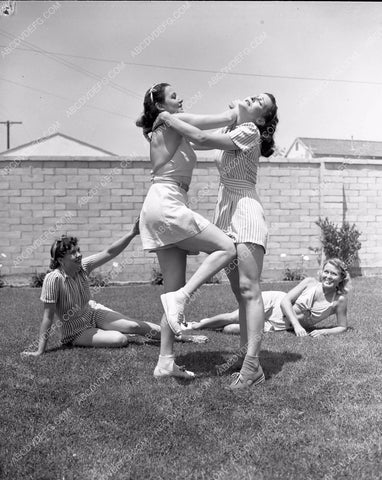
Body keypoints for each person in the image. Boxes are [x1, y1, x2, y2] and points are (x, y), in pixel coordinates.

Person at [156, 92, 278, 390]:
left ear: (261, 119)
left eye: (259, 102)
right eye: (253, 95)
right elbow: (197, 135)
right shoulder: (235, 127)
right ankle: (248, 358)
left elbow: (199, 137)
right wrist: (162, 117)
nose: (252, 98)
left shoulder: (250, 131)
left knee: (250, 289)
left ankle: (252, 367)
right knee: (240, 293)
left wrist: (168, 117)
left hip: (246, 212)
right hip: (226, 214)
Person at [136, 82, 238, 379]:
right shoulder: (168, 122)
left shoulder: (170, 127)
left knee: (172, 291)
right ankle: (184, 298)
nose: (180, 100)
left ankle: (165, 363)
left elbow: (206, 140)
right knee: (226, 247)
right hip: (167, 204)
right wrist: (234, 112)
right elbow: (213, 122)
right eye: (173, 96)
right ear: (160, 105)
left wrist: (234, 129)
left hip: (162, 202)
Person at [21, 219, 207, 357]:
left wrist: (132, 233)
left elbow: (109, 252)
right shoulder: (52, 280)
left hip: (93, 312)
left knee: (134, 325)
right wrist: (40, 350)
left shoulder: (83, 267)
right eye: (73, 253)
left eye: (78, 250)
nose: (79, 254)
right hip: (76, 330)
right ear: (61, 259)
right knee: (120, 339)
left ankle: (183, 337)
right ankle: (131, 335)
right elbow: (47, 317)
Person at [189, 258, 350, 338]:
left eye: (334, 274)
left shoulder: (339, 300)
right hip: (274, 303)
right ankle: (195, 327)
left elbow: (342, 326)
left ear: (341, 278)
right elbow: (285, 301)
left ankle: (209, 324)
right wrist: (297, 326)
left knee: (230, 329)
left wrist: (323, 332)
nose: (328, 276)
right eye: (326, 272)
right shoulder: (309, 283)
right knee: (234, 317)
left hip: (280, 324)